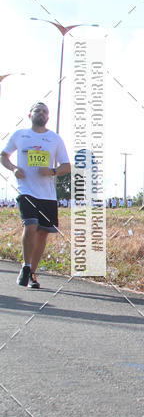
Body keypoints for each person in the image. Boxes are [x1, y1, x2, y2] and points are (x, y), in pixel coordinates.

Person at [1, 102, 70, 289]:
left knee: (42, 234)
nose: (41, 113)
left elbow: (67, 165)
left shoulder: (54, 139)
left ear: (48, 117)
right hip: (26, 190)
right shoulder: (20, 135)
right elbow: (3, 155)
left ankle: (32, 272)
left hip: (47, 195)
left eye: (44, 111)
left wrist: (52, 171)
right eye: (37, 110)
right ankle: (25, 265)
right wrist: (14, 169)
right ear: (30, 114)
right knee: (30, 225)